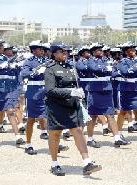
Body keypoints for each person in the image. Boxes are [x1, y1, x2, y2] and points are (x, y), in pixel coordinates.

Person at [44, 41, 102, 176]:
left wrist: (78, 93)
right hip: (56, 105)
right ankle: (55, 164)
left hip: (72, 104)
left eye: (66, 51)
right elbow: (51, 90)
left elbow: (74, 83)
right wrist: (70, 92)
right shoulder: (50, 69)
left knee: (78, 131)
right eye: (61, 51)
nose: (65, 53)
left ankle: (87, 162)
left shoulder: (70, 67)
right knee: (55, 133)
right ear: (54, 53)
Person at [0, 37, 25, 147]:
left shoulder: (6, 58)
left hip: (6, 88)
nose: (1, 47)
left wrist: (15, 67)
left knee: (10, 111)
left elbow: (14, 72)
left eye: (2, 45)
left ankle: (18, 136)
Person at [21, 40, 50, 155]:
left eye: (43, 49)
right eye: (39, 49)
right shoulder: (29, 61)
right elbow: (24, 74)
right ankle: (28, 144)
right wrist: (37, 72)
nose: (42, 51)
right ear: (33, 50)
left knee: (48, 118)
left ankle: (54, 142)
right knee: (31, 119)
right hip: (33, 93)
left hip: (45, 92)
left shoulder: (46, 61)